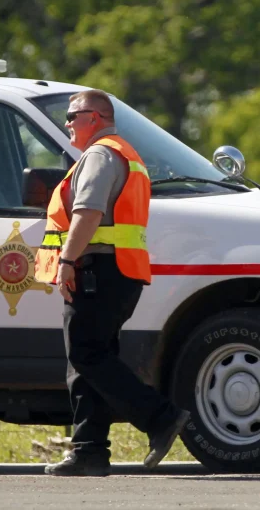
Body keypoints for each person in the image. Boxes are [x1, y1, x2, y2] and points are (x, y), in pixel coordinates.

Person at [36, 89, 189, 477]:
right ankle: (89, 451)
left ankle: (160, 417)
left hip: (96, 271)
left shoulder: (101, 154)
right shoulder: (120, 154)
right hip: (114, 273)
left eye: (73, 116)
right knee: (90, 360)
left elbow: (88, 213)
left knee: (87, 355)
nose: (67, 123)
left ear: (96, 117)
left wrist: (67, 261)